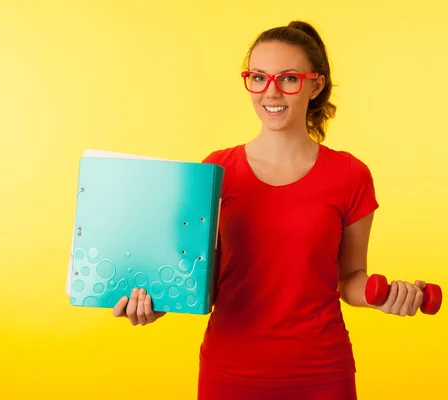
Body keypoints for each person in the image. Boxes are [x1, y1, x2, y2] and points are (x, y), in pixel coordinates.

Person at [112, 20, 427, 400]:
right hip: (229, 372)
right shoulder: (216, 171)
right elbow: (196, 279)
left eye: (288, 78)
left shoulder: (350, 175)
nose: (270, 91)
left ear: (316, 84)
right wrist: (153, 304)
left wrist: (389, 295)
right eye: (258, 77)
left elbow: (350, 278)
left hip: (322, 373)